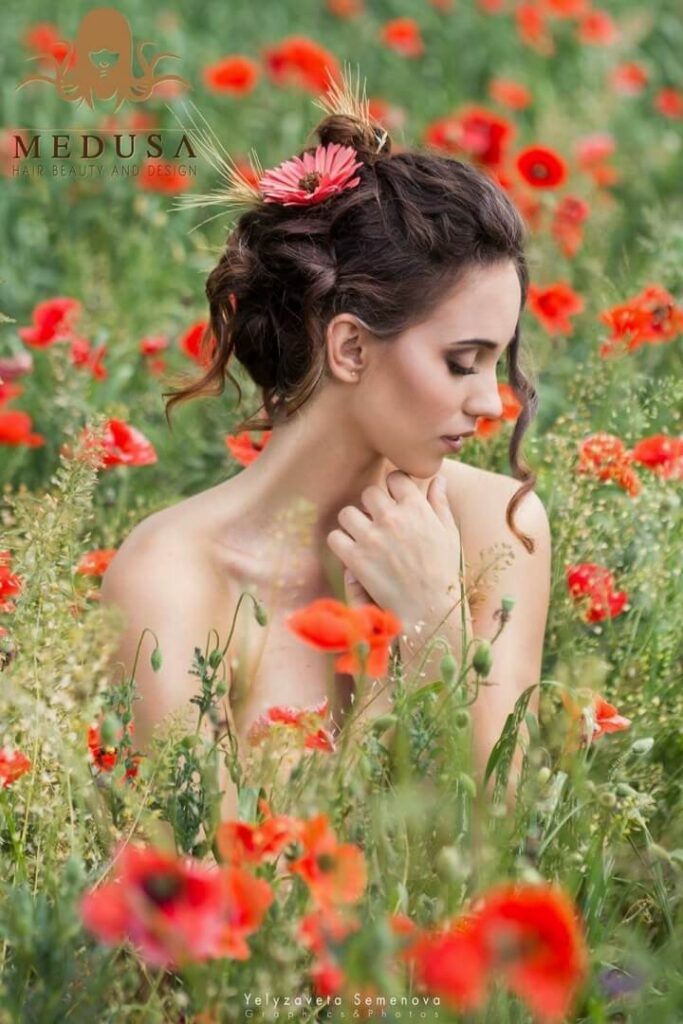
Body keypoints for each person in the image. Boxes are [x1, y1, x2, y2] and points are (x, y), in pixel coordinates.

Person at [100, 91, 551, 818]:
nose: (491, 403)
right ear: (350, 348)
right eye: (462, 362)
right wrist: (390, 687)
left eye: (496, 363)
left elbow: (511, 829)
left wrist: (435, 624)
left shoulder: (495, 525)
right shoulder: (173, 578)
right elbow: (203, 869)